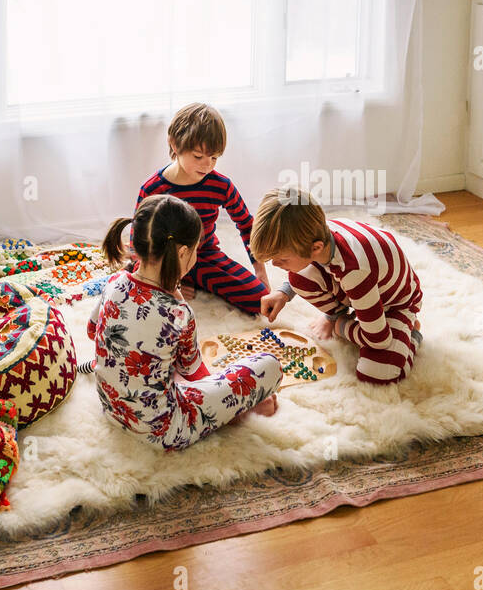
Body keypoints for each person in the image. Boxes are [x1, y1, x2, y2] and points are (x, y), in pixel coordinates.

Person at [87, 194, 280, 451]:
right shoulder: (178, 313)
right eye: (197, 250)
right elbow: (195, 375)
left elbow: (92, 331)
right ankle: (237, 414)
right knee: (269, 365)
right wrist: (234, 399)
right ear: (182, 252)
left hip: (113, 409)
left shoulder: (114, 282)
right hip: (165, 431)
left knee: (158, 358)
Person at [252, 186, 423, 385]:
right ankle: (342, 316)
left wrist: (341, 327)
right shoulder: (313, 232)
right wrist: (284, 293)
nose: (275, 264)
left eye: (281, 259)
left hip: (396, 303)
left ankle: (411, 334)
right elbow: (305, 269)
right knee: (298, 278)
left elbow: (379, 340)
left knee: (377, 373)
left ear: (315, 248)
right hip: (362, 289)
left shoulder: (354, 271)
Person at [135, 103, 269, 315]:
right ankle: (178, 283)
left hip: (204, 256)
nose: (207, 165)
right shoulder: (153, 188)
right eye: (198, 156)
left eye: (214, 158)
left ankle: (195, 280)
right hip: (164, 259)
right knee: (139, 289)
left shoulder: (221, 185)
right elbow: (140, 237)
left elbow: (246, 224)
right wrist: (168, 279)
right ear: (174, 144)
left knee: (260, 299)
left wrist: (259, 269)